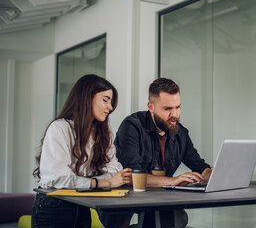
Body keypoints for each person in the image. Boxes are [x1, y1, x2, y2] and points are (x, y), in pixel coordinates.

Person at [31, 74, 132, 228]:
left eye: (111, 102)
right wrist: (106, 182)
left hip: (84, 204)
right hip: (53, 208)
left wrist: (99, 181)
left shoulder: (103, 134)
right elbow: (59, 178)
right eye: (105, 100)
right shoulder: (59, 128)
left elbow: (114, 169)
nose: (110, 107)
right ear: (87, 98)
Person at [115, 77, 212, 228]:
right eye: (167, 109)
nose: (174, 114)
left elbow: (200, 166)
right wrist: (172, 181)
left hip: (158, 198)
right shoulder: (132, 127)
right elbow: (133, 176)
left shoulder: (181, 133)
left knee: (179, 218)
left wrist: (212, 175)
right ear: (151, 107)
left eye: (178, 107)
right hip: (125, 197)